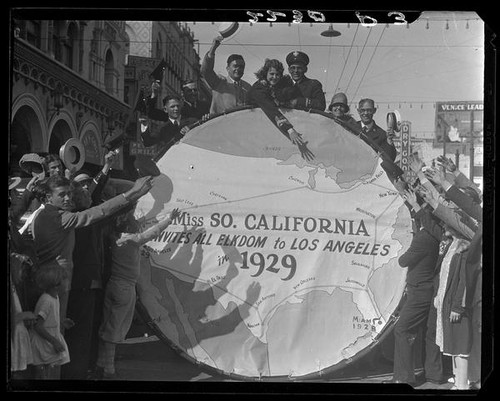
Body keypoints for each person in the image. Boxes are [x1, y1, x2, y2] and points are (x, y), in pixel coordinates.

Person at [32, 175, 154, 333]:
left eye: (69, 193)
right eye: (62, 195)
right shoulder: (59, 218)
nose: (68, 198)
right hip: (57, 280)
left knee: (56, 325)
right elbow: (97, 212)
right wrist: (133, 192)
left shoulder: (41, 214)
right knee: (55, 330)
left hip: (52, 277)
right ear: (49, 197)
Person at [96, 206, 181, 379]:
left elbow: (142, 231)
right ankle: (108, 369)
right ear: (128, 226)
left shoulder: (116, 237)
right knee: (114, 329)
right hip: (125, 287)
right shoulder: (130, 240)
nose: (137, 224)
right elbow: (149, 234)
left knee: (109, 325)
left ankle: (101, 363)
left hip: (116, 285)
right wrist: (169, 219)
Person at [61, 150, 119, 380]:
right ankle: (77, 372)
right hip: (82, 280)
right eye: (81, 186)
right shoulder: (78, 214)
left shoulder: (85, 208)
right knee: (80, 329)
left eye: (88, 185)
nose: (86, 188)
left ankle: (87, 368)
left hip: (93, 278)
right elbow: (93, 195)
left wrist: (106, 168)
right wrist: (104, 169)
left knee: (92, 327)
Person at [384, 186, 444, 387]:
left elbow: (403, 261)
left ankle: (403, 377)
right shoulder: (432, 236)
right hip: (428, 290)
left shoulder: (424, 238)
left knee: (402, 329)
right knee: (429, 333)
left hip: (419, 292)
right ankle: (433, 375)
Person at [248, 58, 314, 162]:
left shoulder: (277, 85)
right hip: (254, 127)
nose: (274, 77)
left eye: (278, 74)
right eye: (272, 74)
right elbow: (271, 110)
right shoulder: (258, 89)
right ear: (265, 73)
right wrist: (290, 130)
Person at [30, 264, 72, 379]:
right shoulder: (46, 301)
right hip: (43, 342)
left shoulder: (55, 297)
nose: (68, 283)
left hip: (48, 340)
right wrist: (54, 341)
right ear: (56, 285)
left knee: (47, 372)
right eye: (65, 280)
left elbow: (48, 319)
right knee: (41, 373)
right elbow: (38, 326)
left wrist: (61, 322)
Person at [201, 35, 252, 115]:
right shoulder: (218, 82)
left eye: (241, 67)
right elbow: (206, 71)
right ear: (227, 68)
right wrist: (213, 49)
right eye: (235, 66)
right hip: (220, 124)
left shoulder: (248, 87)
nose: (238, 69)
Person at [10, 248, 36, 379]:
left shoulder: (15, 287)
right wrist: (25, 315)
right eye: (22, 271)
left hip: (19, 339)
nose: (24, 275)